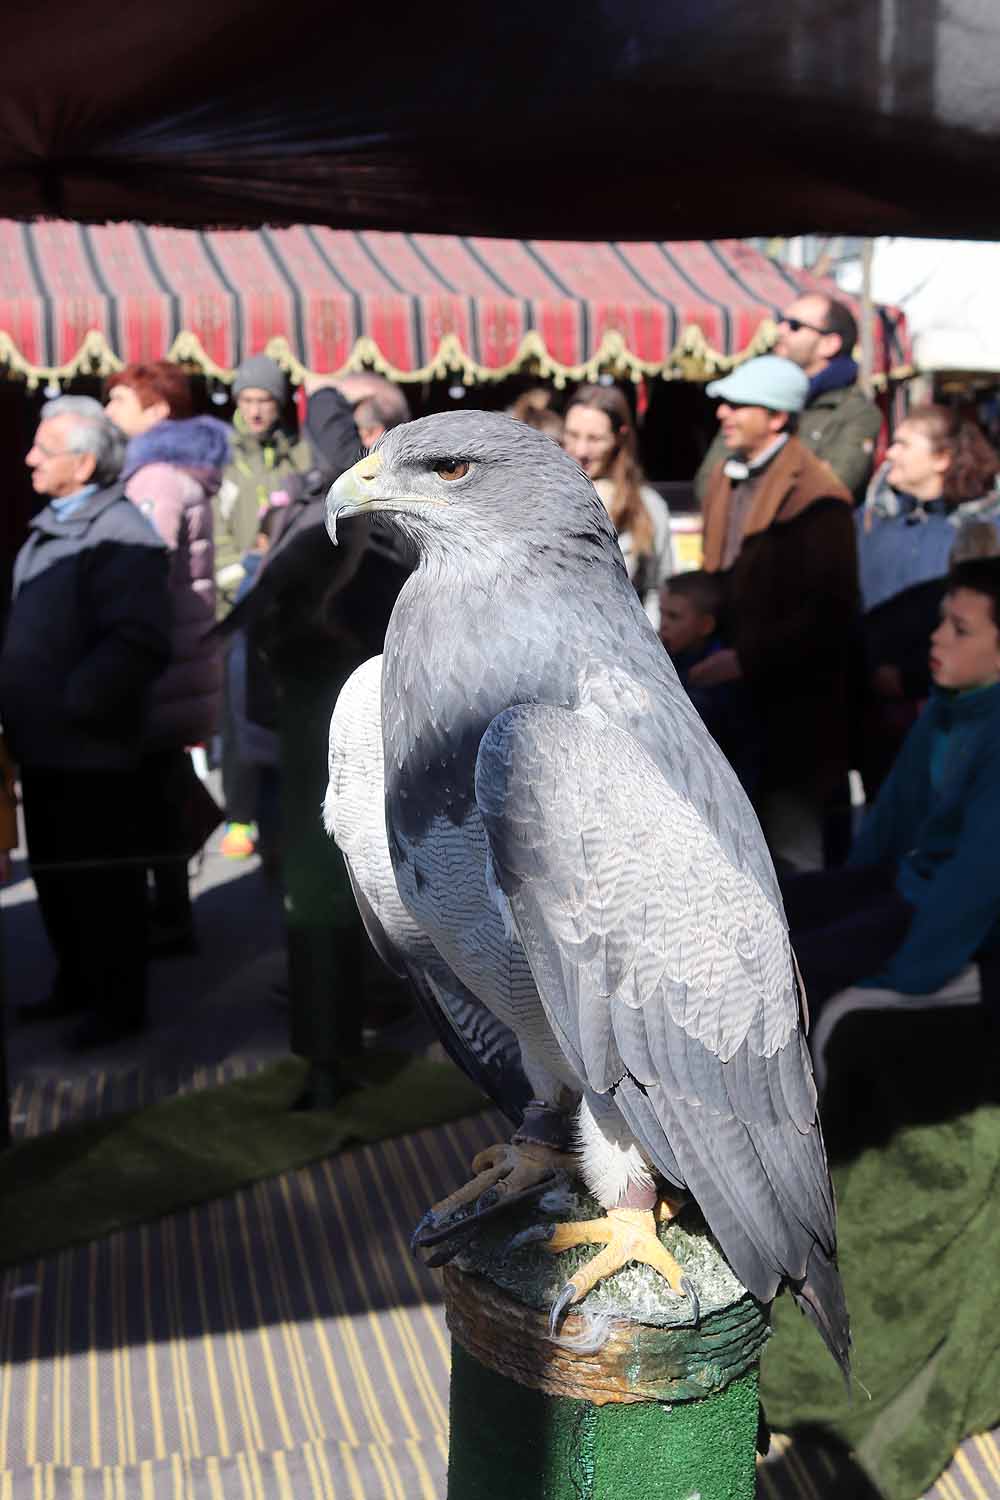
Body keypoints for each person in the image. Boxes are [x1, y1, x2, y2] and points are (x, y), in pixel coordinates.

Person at [0, 397, 171, 1046]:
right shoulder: (56, 523)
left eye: (44, 449)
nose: (29, 458)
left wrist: (77, 701)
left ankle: (117, 1008)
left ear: (84, 461)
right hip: (45, 744)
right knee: (58, 879)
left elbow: (138, 641)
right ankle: (76, 985)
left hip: (92, 750)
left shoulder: (120, 533)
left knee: (102, 887)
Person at [782, 557, 1000, 1028]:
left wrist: (899, 976)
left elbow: (975, 879)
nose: (937, 636)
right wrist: (849, 900)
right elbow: (891, 821)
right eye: (942, 620)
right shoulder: (951, 707)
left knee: (795, 969)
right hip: (912, 884)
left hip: (957, 925)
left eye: (960, 630)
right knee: (776, 907)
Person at [697, 354, 858, 870]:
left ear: (777, 418)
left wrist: (746, 659)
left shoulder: (820, 497)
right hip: (733, 708)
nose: (724, 413)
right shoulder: (725, 474)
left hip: (796, 715)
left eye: (740, 405)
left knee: (794, 856)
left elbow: (833, 615)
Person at [105, 362, 230, 950]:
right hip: (182, 653)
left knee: (149, 791)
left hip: (159, 661)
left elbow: (142, 566)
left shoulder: (154, 478)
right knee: (161, 784)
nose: (110, 412)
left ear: (156, 410)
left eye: (121, 400)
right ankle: (171, 911)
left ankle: (168, 920)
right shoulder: (180, 470)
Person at [856, 404, 1000, 792]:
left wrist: (911, 677)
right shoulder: (871, 521)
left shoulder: (987, 528)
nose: (890, 453)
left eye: (903, 443)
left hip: (955, 714)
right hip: (871, 712)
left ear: (942, 458)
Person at [214, 353, 312, 858]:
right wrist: (239, 578)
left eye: (264, 400)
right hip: (239, 604)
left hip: (289, 605)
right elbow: (214, 537)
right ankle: (239, 815)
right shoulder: (221, 458)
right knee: (238, 715)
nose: (255, 411)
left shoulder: (300, 456)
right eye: (247, 400)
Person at [694, 293, 882, 504]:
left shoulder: (855, 411)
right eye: (780, 322)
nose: (780, 331)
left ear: (829, 343)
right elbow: (708, 484)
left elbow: (828, 490)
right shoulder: (757, 395)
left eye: (794, 326)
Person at [562, 384, 673, 624]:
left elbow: (658, 587)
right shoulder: (539, 493)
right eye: (572, 435)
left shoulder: (648, 505)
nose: (581, 450)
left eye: (595, 439)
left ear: (619, 437)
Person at [658, 570, 763, 795]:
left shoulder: (718, 673)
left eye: (674, 617)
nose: (663, 625)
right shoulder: (668, 657)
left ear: (705, 625)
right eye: (662, 614)